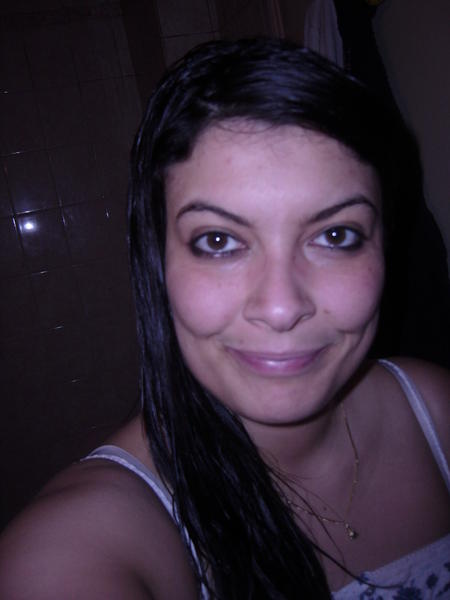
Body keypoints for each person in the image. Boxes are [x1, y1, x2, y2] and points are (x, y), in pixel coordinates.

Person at [0, 38, 448, 600]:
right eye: (218, 241)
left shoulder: (437, 411)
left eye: (336, 235)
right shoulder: (72, 550)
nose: (281, 307)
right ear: (157, 260)